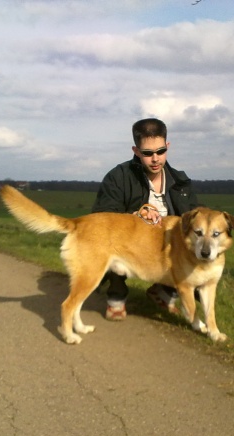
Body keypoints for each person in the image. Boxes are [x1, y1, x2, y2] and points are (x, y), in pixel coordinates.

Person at [92, 118, 201, 320]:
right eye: (147, 153)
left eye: (160, 151)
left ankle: (163, 292)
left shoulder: (180, 181)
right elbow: (101, 219)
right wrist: (135, 215)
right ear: (136, 151)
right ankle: (116, 297)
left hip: (167, 246)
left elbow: (195, 218)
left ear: (167, 146)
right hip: (131, 244)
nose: (155, 159)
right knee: (115, 240)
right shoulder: (118, 177)